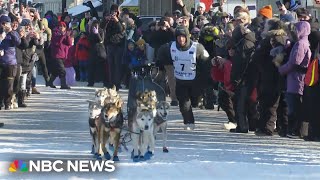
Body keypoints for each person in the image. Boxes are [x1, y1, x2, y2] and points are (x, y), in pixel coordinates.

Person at [157, 26, 210, 130]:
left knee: (194, 101)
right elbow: (161, 54)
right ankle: (189, 122)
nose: (181, 39)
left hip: (195, 80)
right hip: (180, 80)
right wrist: (159, 64)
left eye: (183, 37)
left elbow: (206, 63)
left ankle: (197, 101)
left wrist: (205, 78)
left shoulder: (197, 48)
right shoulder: (170, 47)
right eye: (178, 37)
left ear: (187, 37)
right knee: (184, 102)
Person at [278, 21, 311, 138]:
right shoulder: (303, 43)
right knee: (294, 104)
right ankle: (295, 130)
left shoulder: (300, 44)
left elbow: (294, 62)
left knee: (294, 105)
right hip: (296, 78)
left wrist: (281, 69)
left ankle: (294, 130)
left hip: (295, 78)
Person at [0, 15, 21, 110]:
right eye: (2, 23)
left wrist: (10, 32)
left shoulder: (13, 33)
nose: (3, 25)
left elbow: (18, 42)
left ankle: (7, 102)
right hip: (1, 62)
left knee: (9, 84)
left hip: (10, 62)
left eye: (6, 23)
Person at [47, 21, 72, 89]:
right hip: (57, 55)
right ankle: (63, 84)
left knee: (56, 71)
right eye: (60, 26)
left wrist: (68, 36)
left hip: (63, 55)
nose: (61, 28)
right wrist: (63, 35)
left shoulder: (65, 34)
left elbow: (69, 43)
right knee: (62, 70)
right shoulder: (55, 33)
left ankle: (50, 82)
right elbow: (57, 43)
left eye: (63, 26)